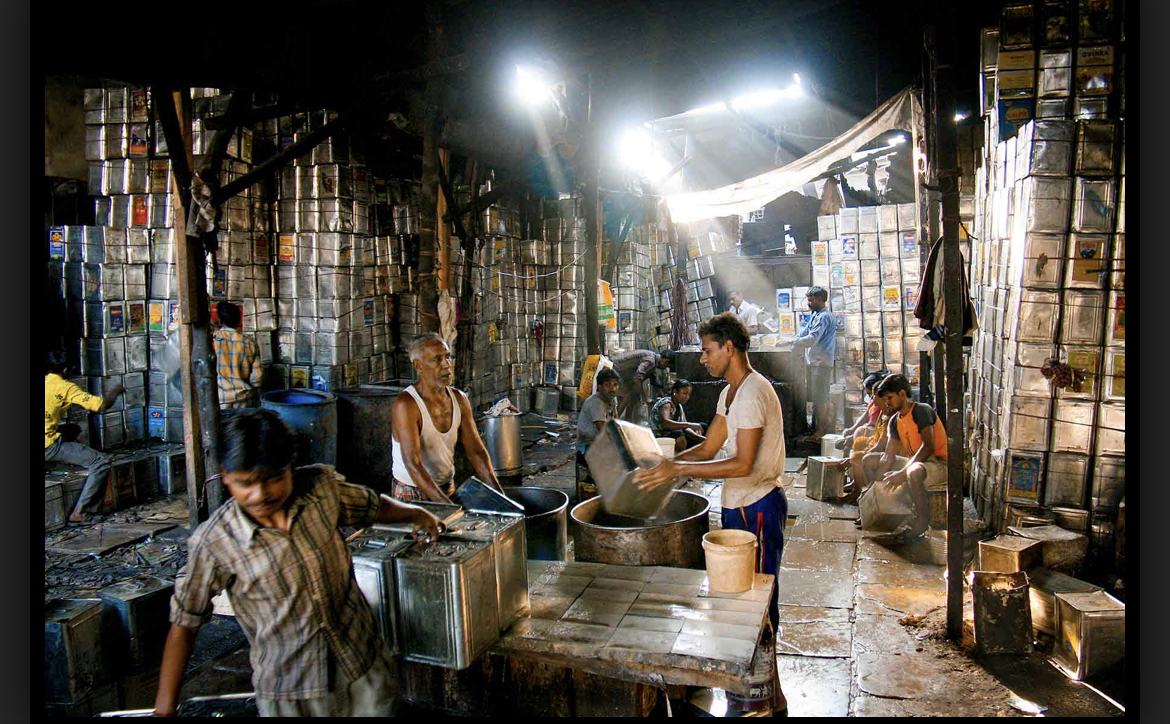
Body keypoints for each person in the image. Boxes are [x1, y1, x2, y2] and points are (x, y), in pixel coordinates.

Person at [153, 409, 442, 717]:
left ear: (290, 467)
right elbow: (185, 622)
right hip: (290, 693)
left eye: (274, 479)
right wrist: (164, 707)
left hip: (363, 669)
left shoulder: (321, 491)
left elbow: (373, 505)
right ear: (225, 475)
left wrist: (417, 513)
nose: (260, 494)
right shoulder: (215, 542)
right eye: (245, 483)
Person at [633, 312, 788, 715]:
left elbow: (742, 463)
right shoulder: (730, 394)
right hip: (739, 505)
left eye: (706, 350)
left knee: (758, 603)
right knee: (741, 601)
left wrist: (677, 471)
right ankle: (765, 696)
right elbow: (707, 448)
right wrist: (666, 464)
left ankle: (765, 698)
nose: (702, 358)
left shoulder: (752, 393)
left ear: (728, 348)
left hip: (758, 504)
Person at [391, 334, 503, 504]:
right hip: (412, 492)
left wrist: (500, 497)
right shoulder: (407, 404)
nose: (447, 364)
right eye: (437, 359)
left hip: (446, 486)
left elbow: (477, 452)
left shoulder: (459, 399)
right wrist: (447, 507)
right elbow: (412, 463)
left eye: (448, 357)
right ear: (418, 366)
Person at [857, 373, 948, 537]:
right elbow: (888, 457)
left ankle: (921, 522)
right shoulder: (894, 421)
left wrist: (902, 472)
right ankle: (877, 508)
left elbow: (928, 447)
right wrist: (872, 490)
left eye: (890, 398)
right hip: (916, 462)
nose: (887, 402)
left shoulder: (921, 410)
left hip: (938, 464)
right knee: (869, 460)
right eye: (885, 399)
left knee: (913, 472)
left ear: (902, 394)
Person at [44, 351, 124, 525]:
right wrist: (115, 391)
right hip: (47, 445)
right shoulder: (64, 386)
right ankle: (82, 513)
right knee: (100, 462)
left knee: (73, 429)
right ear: (65, 370)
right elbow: (101, 406)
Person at [792, 286, 836, 441]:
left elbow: (812, 339)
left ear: (819, 299)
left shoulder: (824, 317)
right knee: (817, 398)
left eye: (810, 300)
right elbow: (804, 333)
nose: (808, 303)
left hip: (821, 363)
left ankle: (821, 432)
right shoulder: (816, 315)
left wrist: (793, 342)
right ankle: (817, 429)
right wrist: (791, 340)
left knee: (821, 399)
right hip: (815, 362)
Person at [213, 301, 263, 409]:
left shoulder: (212, 341)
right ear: (238, 320)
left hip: (220, 399)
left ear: (220, 320)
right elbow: (257, 378)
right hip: (244, 398)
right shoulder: (250, 343)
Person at [612, 348, 672, 423]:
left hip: (621, 372)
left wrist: (663, 397)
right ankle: (615, 420)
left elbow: (654, 380)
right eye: (667, 365)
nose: (665, 367)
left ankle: (627, 420)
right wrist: (644, 397)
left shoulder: (653, 360)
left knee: (634, 394)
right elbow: (637, 378)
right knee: (631, 393)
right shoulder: (651, 360)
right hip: (615, 369)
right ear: (665, 360)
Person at [650, 379, 706, 454]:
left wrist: (699, 437)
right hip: (659, 435)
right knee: (679, 435)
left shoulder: (679, 407)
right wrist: (690, 425)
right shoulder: (666, 403)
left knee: (703, 426)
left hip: (672, 433)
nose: (687, 397)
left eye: (689, 394)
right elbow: (665, 423)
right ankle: (677, 459)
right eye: (684, 393)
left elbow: (685, 428)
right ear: (675, 392)